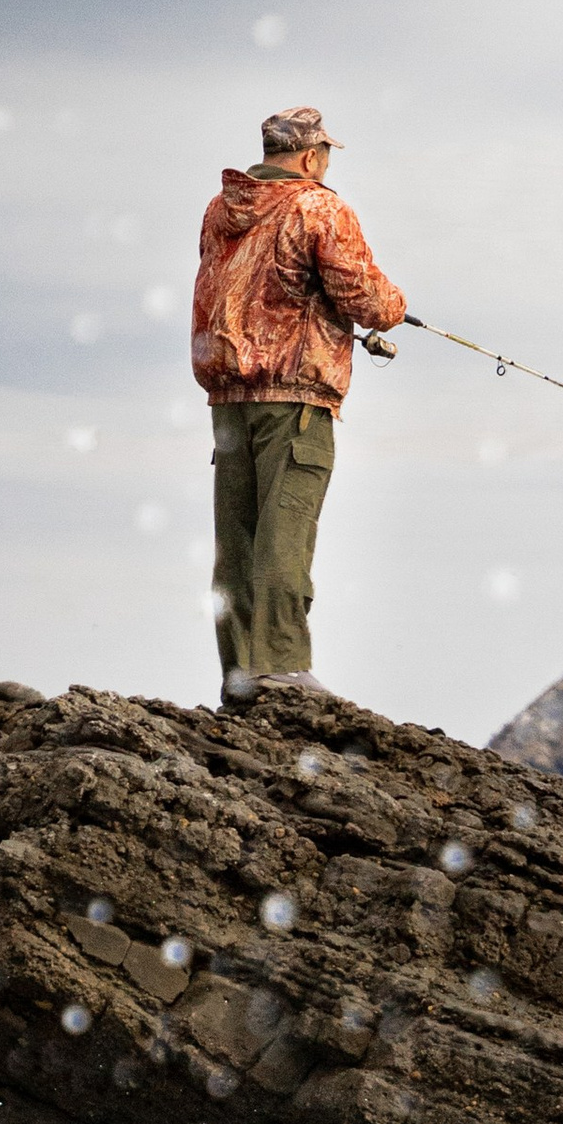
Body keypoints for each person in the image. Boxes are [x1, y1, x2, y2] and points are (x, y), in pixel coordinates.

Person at [189, 104, 407, 706]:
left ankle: (240, 675)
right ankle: (281, 666)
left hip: (228, 397)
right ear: (311, 156)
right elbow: (365, 296)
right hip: (296, 396)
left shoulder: (220, 209)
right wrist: (395, 305)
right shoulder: (319, 207)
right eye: (326, 155)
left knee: (236, 543)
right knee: (283, 536)